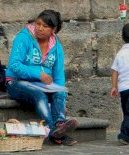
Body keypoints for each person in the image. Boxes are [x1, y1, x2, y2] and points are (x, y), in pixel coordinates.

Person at [5, 9, 78, 146]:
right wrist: (38, 74)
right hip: (16, 82)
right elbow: (14, 65)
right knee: (39, 95)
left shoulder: (56, 46)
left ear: (53, 30)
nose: (39, 28)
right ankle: (52, 130)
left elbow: (58, 75)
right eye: (38, 24)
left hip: (42, 84)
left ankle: (60, 124)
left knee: (59, 92)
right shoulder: (24, 38)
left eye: (45, 26)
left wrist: (61, 97)